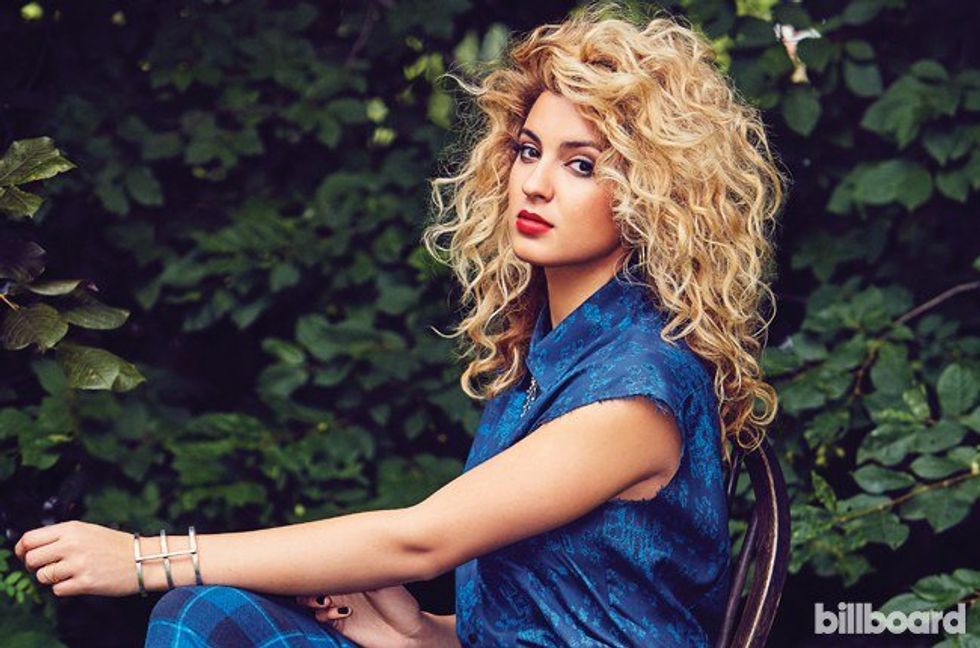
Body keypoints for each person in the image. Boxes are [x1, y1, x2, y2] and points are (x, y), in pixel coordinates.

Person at [12, 4, 786, 646]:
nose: (538, 184)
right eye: (529, 151)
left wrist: (143, 559)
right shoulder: (554, 353)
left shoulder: (635, 392)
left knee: (189, 608)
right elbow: (548, 610)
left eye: (581, 164)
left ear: (651, 196)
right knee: (209, 617)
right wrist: (419, 631)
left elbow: (421, 540)